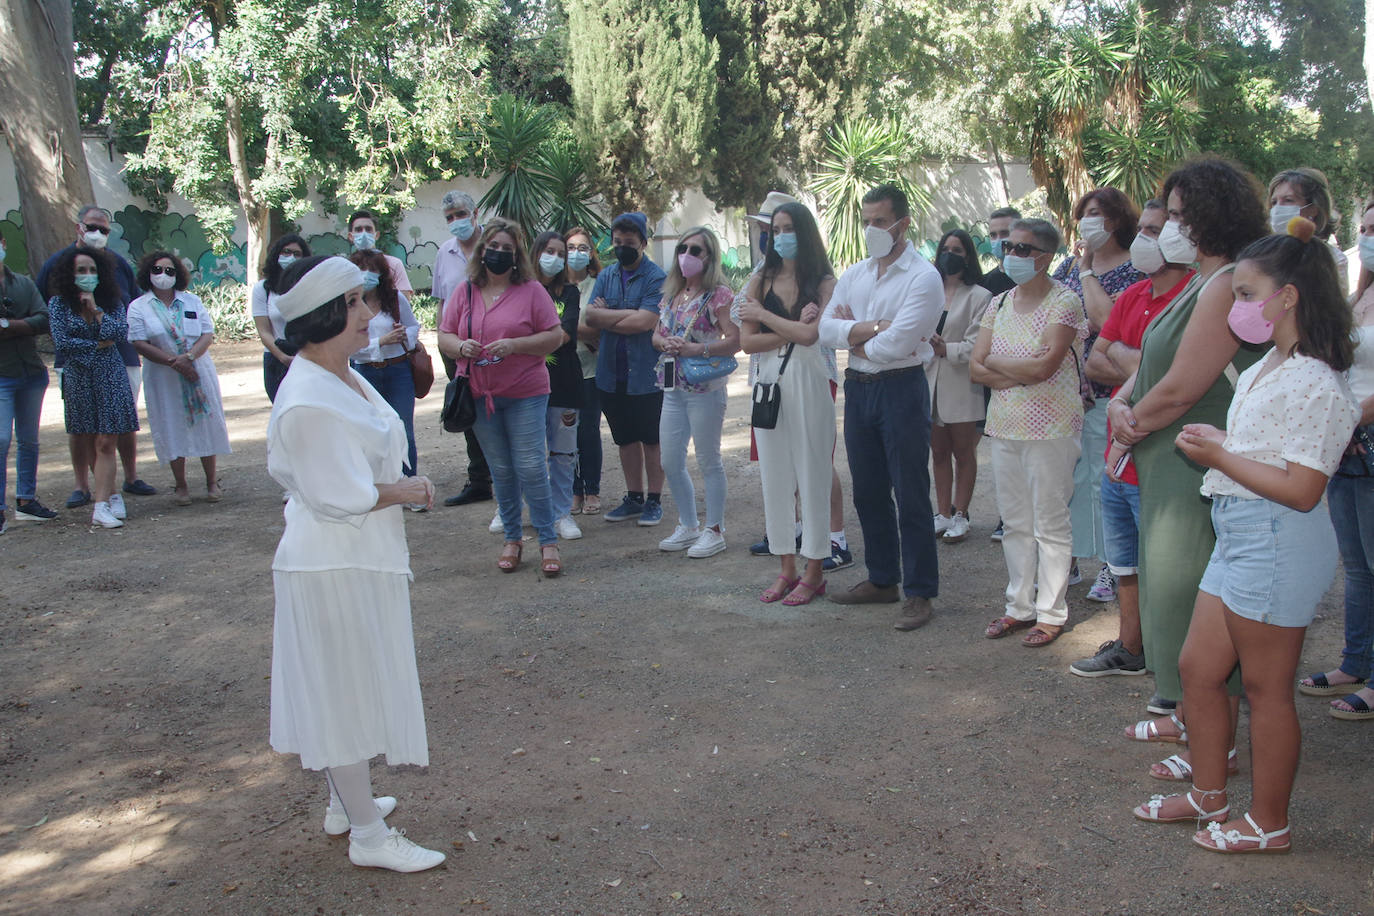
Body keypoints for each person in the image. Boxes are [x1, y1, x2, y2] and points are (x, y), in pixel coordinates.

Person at [1132, 218, 1358, 854]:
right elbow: (1267, 452)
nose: (1237, 305)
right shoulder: (1269, 367)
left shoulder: (1315, 378)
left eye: (1249, 293)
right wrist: (1223, 444)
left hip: (1277, 536)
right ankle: (1209, 795)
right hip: (1239, 530)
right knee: (1198, 671)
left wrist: (1219, 457)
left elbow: (1303, 488)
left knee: (1265, 689)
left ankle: (1270, 824)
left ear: (1288, 296)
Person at [265, 255, 444, 873]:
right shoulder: (309, 400)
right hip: (331, 564)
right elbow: (337, 494)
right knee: (340, 697)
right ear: (325, 317)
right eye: (356, 305)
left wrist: (395, 485)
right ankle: (369, 836)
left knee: (343, 686)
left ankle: (346, 802)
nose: (369, 314)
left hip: (354, 558)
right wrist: (404, 489)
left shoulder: (342, 374)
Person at [1106, 156, 1268, 746]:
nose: (1167, 226)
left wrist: (1130, 423)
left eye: (1177, 215)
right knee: (1172, 597)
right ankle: (1187, 720)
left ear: (1209, 217)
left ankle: (1210, 744)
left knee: (1188, 599)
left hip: (1194, 465)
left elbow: (1182, 387)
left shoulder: (1230, 283)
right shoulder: (1202, 279)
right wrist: (1125, 402)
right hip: (1169, 460)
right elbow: (1153, 362)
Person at [1071, 201, 1194, 687]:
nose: (1143, 238)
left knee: (1168, 570)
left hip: (1165, 463)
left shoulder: (1196, 300)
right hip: (1119, 458)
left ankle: (1174, 668)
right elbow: (1095, 364)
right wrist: (1147, 368)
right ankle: (1131, 647)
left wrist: (1132, 364)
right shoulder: (1132, 294)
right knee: (1123, 563)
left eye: (1155, 230)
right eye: (1141, 229)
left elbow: (1182, 376)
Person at [819, 183, 944, 632]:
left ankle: (920, 591)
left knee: (910, 490)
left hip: (901, 388)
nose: (872, 229)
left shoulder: (923, 278)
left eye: (879, 221)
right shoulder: (856, 274)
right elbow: (824, 329)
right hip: (860, 389)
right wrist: (870, 328)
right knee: (867, 489)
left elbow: (897, 346)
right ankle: (882, 578)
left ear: (902, 224)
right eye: (866, 220)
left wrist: (857, 336)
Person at [971, 218, 1088, 647]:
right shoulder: (998, 303)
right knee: (1016, 523)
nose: (1012, 254)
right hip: (1004, 427)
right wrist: (1018, 370)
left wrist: (999, 364)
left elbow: (1045, 367)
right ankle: (1018, 606)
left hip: (1052, 428)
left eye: (1023, 248)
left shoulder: (1065, 303)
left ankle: (1052, 613)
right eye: (1008, 246)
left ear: (1045, 257)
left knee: (1051, 523)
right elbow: (975, 365)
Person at [437, 219, 565, 575]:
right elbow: (444, 334)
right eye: (494, 246)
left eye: (507, 249)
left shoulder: (532, 291)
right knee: (502, 470)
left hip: (525, 391)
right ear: (482, 251)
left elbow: (554, 336)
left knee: (530, 466)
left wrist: (515, 345)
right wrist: (460, 346)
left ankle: (548, 540)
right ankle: (512, 538)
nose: (499, 254)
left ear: (517, 255)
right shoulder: (464, 291)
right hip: (479, 394)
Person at [743, 192, 853, 571]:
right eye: (775, 230)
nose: (780, 236)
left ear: (804, 233)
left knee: (813, 473)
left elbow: (812, 337)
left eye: (788, 229)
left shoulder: (823, 281)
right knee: (775, 477)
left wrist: (765, 316)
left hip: (809, 379)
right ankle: (786, 567)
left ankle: (815, 568)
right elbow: (746, 342)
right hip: (768, 383)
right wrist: (791, 326)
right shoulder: (760, 279)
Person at [1299, 198, 1374, 719]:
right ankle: (1357, 661)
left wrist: (1343, 419)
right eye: (1366, 227)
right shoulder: (1360, 296)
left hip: (1360, 435)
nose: (1369, 235)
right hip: (1348, 447)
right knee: (1359, 568)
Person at [1053, 188, 1145, 600]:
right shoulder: (1066, 266)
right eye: (1086, 214)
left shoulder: (1134, 270)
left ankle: (1111, 565)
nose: (1091, 222)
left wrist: (1088, 270)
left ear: (1118, 221)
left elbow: (1107, 322)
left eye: (1100, 215)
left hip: (1112, 389)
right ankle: (1067, 559)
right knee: (1068, 478)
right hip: (1068, 391)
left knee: (1103, 481)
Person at [36, 205, 156, 507]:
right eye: (92, 227)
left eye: (104, 229)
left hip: (121, 359)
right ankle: (82, 485)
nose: (98, 234)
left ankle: (129, 478)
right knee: (81, 427)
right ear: (79, 227)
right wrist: (94, 345)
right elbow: (53, 324)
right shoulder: (57, 264)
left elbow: (128, 311)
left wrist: (105, 328)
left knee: (121, 423)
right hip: (74, 366)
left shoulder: (117, 265)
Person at [651, 227, 739, 558]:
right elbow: (656, 334)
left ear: (709, 257)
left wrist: (695, 349)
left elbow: (735, 340)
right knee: (670, 458)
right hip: (672, 385)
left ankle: (714, 529)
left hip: (706, 387)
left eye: (696, 250)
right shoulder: (672, 293)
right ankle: (688, 525)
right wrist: (666, 343)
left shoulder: (719, 296)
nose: (686, 255)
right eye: (682, 248)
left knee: (708, 459)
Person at [582, 212, 668, 526]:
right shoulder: (605, 276)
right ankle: (633, 497)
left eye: (628, 243)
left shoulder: (656, 277)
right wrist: (627, 316)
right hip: (610, 374)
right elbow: (590, 317)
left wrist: (611, 317)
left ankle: (654, 500)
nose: (621, 248)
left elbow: (646, 322)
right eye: (617, 243)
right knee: (625, 439)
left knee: (651, 439)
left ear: (643, 243)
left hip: (646, 374)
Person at [127, 251, 231, 505]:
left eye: (170, 271)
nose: (163, 276)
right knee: (170, 423)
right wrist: (174, 362)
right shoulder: (138, 307)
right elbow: (139, 342)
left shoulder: (192, 302)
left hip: (197, 370)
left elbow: (207, 334)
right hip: (164, 374)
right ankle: (181, 485)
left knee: (206, 422)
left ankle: (211, 482)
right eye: (158, 270)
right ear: (148, 274)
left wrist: (189, 358)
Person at [45, 247, 140, 529]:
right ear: (69, 274)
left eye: (92, 270)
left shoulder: (111, 301)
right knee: (88, 436)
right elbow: (62, 343)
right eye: (81, 270)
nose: (87, 276)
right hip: (79, 376)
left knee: (107, 440)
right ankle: (108, 493)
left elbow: (119, 333)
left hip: (111, 373)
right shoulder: (58, 304)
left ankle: (100, 507)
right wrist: (96, 345)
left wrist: (95, 311)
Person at [927, 229, 992, 543]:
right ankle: (942, 513)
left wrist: (946, 349)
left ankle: (961, 514)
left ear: (968, 256)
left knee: (963, 452)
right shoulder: (928, 291)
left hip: (962, 384)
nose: (950, 254)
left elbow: (979, 344)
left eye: (958, 249)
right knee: (938, 451)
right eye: (946, 248)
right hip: (927, 384)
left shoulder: (980, 296)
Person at [431, 191, 494, 509]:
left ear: (475, 212)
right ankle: (480, 479)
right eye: (449, 218)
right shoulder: (445, 252)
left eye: (460, 214)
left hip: (493, 345)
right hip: (456, 346)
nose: (456, 222)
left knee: (500, 408)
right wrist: (445, 341)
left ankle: (507, 475)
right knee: (467, 409)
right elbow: (442, 301)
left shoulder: (494, 246)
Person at [347, 249, 422, 492]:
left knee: (403, 430)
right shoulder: (348, 305)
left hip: (398, 370)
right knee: (370, 432)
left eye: (372, 269)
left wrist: (403, 336)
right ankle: (378, 487)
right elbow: (348, 347)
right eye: (361, 269)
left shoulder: (395, 299)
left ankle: (409, 485)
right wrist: (380, 342)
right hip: (365, 372)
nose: (366, 275)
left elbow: (413, 327)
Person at [532, 229, 584, 540]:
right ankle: (537, 512)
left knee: (563, 454)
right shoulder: (521, 291)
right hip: (527, 385)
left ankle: (562, 513)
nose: (555, 258)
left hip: (564, 383)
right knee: (532, 454)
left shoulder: (570, 293)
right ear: (536, 253)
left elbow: (564, 335)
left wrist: (525, 343)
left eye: (560, 253)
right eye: (549, 251)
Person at [0, 242, 55, 532]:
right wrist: (25, 325)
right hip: (2, 376)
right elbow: (35, 321)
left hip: (32, 373)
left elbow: (45, 318)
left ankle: (26, 500)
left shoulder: (21, 283)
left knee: (29, 441)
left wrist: (9, 326)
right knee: (0, 440)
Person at [568, 227, 603, 516]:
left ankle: (591, 489)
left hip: (591, 370)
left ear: (591, 252)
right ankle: (573, 491)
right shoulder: (551, 287)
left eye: (582, 247)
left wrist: (564, 326)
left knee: (588, 431)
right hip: (560, 370)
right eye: (570, 247)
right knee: (562, 433)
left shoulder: (599, 284)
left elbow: (598, 330)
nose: (576, 253)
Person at [1267, 168, 1346, 297]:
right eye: (1274, 202)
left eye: (1288, 200)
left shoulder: (1334, 260)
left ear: (1313, 210)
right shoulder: (1263, 253)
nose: (1277, 208)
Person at [251, 234, 310, 402]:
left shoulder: (309, 287)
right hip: (276, 358)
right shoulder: (263, 289)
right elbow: (264, 331)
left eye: (297, 254)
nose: (291, 257)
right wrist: (283, 358)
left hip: (307, 357)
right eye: (286, 252)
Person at [347, 210, 412, 294]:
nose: (364, 234)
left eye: (368, 229)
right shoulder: (347, 268)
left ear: (376, 235)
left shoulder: (394, 264)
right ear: (351, 236)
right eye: (358, 230)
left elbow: (404, 301)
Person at [980, 206, 1020, 297]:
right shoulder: (983, 285)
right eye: (993, 235)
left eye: (1005, 233)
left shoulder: (1034, 281)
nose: (998, 240)